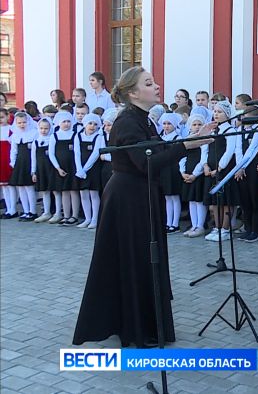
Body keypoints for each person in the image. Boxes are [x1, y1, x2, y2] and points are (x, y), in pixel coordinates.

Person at [73, 66, 215, 348]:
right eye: (149, 83)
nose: (157, 86)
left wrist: (192, 141)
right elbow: (146, 161)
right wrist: (187, 146)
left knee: (144, 258)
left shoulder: (144, 118)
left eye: (154, 81)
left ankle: (146, 324)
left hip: (141, 195)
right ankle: (135, 329)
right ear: (133, 92)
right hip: (128, 199)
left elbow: (160, 151)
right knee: (135, 260)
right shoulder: (127, 121)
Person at [203, 101, 241, 241]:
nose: (216, 114)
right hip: (211, 169)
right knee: (215, 201)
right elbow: (205, 148)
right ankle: (216, 227)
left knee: (226, 201)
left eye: (219, 112)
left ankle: (225, 229)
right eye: (215, 111)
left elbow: (229, 151)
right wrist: (205, 165)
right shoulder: (213, 130)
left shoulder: (230, 131)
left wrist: (219, 168)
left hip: (223, 170)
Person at [234, 108, 258, 243]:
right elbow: (238, 149)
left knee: (255, 199)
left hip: (253, 168)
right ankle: (247, 228)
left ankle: (256, 230)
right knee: (245, 200)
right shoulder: (239, 131)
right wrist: (239, 167)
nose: (242, 118)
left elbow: (252, 150)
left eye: (245, 115)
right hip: (241, 169)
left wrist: (242, 166)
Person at [73, 113, 105, 229]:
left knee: (93, 194)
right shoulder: (78, 136)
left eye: (95, 124)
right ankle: (87, 218)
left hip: (93, 169)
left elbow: (96, 153)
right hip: (80, 169)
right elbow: (76, 153)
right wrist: (79, 169)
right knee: (83, 194)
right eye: (90, 123)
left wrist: (85, 168)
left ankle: (95, 219)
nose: (92, 126)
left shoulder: (98, 137)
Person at [48, 112, 80, 225]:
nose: (66, 124)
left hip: (72, 166)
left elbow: (77, 152)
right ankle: (66, 215)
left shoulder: (75, 135)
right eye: (64, 122)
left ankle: (74, 215)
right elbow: (51, 154)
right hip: (60, 168)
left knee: (73, 190)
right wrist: (58, 168)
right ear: (58, 123)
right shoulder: (54, 136)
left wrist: (77, 167)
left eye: (68, 121)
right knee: (64, 191)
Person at [180, 113, 209, 238]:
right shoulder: (187, 138)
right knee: (191, 200)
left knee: (199, 200)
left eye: (199, 124)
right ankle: (194, 224)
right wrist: (182, 172)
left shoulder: (204, 140)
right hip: (187, 172)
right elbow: (182, 157)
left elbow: (203, 159)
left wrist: (195, 174)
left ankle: (200, 225)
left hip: (198, 173)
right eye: (194, 124)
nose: (197, 127)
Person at [8, 112, 38, 221]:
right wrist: (13, 162)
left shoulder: (34, 133)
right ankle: (25, 211)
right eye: (19, 123)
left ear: (28, 122)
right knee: (20, 187)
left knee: (29, 187)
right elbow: (13, 150)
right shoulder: (15, 135)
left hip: (29, 162)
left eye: (24, 122)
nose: (22, 124)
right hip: (19, 163)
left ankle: (33, 211)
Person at [158, 113, 183, 233]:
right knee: (167, 196)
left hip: (173, 169)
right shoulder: (160, 137)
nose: (166, 126)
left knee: (174, 196)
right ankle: (168, 222)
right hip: (163, 169)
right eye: (164, 123)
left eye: (169, 124)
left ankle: (175, 223)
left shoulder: (177, 138)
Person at [31, 117, 55, 222]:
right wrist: (34, 172)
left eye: (46, 128)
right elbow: (33, 158)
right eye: (41, 128)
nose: (43, 131)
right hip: (41, 169)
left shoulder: (52, 139)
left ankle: (57, 212)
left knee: (55, 191)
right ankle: (46, 212)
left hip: (51, 169)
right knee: (45, 191)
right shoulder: (36, 142)